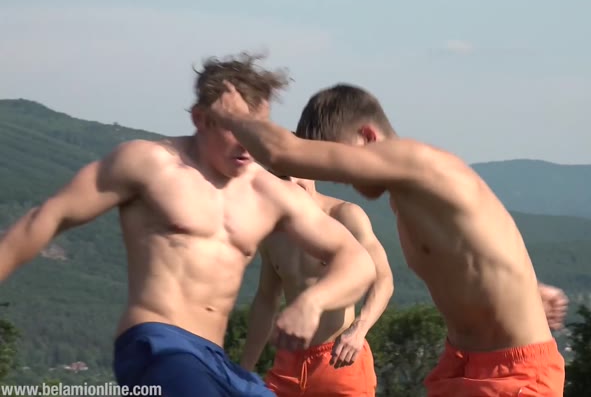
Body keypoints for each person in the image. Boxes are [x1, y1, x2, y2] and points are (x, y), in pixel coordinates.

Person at [0, 55, 377, 397]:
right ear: (200, 119)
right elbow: (47, 217)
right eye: (234, 127)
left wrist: (313, 301)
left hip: (216, 361)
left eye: (256, 129)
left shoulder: (269, 192)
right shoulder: (150, 164)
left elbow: (358, 261)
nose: (247, 144)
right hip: (159, 346)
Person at [209, 81, 568, 396]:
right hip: (460, 363)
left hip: (514, 373)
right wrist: (527, 287)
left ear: (368, 136)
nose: (347, 180)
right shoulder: (410, 200)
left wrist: (231, 115)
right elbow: (480, 243)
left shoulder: (418, 162)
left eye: (344, 163)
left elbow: (282, 154)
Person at [239, 173, 393, 396]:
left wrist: (360, 329)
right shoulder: (272, 233)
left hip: (339, 358)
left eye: (297, 173)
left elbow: (383, 279)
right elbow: (266, 299)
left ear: (311, 171)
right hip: (288, 365)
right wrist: (243, 369)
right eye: (283, 177)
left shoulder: (345, 215)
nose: (292, 183)